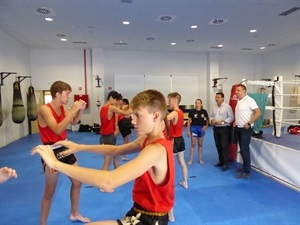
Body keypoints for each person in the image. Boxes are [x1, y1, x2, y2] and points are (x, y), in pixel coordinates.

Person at [31, 89, 174, 225]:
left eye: (138, 116)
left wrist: (56, 164)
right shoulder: (146, 139)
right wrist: (80, 147)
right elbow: (116, 150)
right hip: (137, 212)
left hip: (150, 220)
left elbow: (109, 181)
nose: (133, 121)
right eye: (133, 115)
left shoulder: (156, 150)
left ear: (155, 116)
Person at [37, 80, 90, 225]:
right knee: (50, 192)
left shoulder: (63, 108)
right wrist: (72, 110)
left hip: (65, 148)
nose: (68, 97)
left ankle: (74, 213)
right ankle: (43, 223)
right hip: (51, 152)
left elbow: (73, 122)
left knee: (78, 182)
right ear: (57, 94)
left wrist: (79, 110)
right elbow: (58, 129)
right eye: (67, 94)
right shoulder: (45, 110)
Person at [166, 92, 188, 223]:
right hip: (181, 139)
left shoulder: (174, 113)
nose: (168, 102)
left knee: (171, 166)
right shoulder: (181, 113)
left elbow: (164, 118)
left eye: (169, 100)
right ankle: (185, 182)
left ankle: (171, 185)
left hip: (174, 141)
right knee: (182, 162)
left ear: (175, 100)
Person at [100, 91, 132, 172]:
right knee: (107, 161)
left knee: (115, 156)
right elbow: (127, 113)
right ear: (111, 98)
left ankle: (118, 173)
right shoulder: (111, 107)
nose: (116, 102)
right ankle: (101, 179)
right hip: (108, 136)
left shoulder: (103, 107)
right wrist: (133, 105)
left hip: (104, 136)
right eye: (115, 100)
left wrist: (116, 128)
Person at [234, 84, 261, 179]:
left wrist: (249, 123)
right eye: (236, 90)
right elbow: (241, 113)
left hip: (246, 129)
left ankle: (247, 171)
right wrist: (236, 122)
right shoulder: (239, 100)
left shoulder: (250, 100)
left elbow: (258, 112)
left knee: (244, 149)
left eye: (238, 90)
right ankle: (244, 167)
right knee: (242, 149)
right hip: (239, 128)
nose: (236, 92)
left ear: (244, 91)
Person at [211, 92, 234, 172]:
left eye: (218, 97)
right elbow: (211, 116)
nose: (216, 99)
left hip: (224, 129)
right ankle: (220, 161)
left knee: (224, 146)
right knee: (218, 145)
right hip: (216, 128)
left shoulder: (227, 107)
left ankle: (225, 163)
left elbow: (231, 117)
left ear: (222, 98)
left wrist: (222, 122)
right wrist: (212, 120)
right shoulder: (214, 107)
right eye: (216, 97)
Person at [187, 99, 209, 164]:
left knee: (200, 144)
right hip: (194, 128)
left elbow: (207, 119)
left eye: (199, 103)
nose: (197, 104)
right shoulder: (192, 112)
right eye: (196, 103)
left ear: (201, 104)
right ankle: (191, 159)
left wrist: (206, 126)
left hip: (201, 128)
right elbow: (188, 122)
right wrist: (188, 131)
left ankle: (200, 159)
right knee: (193, 144)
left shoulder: (204, 111)